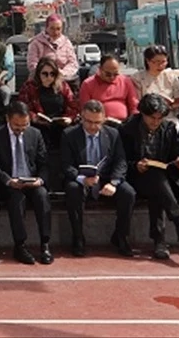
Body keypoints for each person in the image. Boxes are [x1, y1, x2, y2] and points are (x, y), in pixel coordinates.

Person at [119, 95, 179, 259]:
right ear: (142, 114)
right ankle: (177, 226)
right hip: (135, 177)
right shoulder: (128, 129)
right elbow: (121, 159)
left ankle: (162, 240)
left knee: (157, 184)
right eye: (152, 118)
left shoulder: (168, 128)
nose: (155, 122)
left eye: (159, 118)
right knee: (156, 181)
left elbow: (173, 154)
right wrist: (135, 165)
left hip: (161, 178)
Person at [62, 100, 137, 257]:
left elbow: (120, 161)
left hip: (105, 179)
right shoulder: (69, 135)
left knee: (128, 193)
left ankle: (121, 236)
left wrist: (114, 182)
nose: (93, 126)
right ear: (82, 117)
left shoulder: (112, 134)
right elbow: (66, 165)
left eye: (97, 122)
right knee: (73, 189)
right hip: (81, 179)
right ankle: (78, 237)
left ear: (104, 119)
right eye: (88, 121)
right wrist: (82, 179)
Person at [0, 101, 53, 265]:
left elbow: (44, 163)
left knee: (42, 195)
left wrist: (40, 179)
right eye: (17, 125)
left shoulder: (35, 134)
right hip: (9, 184)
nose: (20, 129)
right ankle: (20, 245)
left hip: (31, 181)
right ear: (8, 119)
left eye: (24, 125)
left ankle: (45, 243)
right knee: (16, 199)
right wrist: (8, 181)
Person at [19, 56, 78, 150]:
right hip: (39, 125)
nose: (49, 77)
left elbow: (73, 105)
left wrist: (69, 118)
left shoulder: (62, 86)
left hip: (60, 125)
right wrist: (34, 118)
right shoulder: (29, 87)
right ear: (38, 74)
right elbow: (24, 107)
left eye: (52, 74)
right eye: (45, 74)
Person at [78, 54, 139, 125]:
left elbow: (134, 106)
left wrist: (133, 122)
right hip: (99, 124)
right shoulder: (88, 84)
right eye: (108, 74)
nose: (112, 77)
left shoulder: (126, 81)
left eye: (115, 74)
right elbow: (86, 109)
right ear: (100, 69)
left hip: (124, 124)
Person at [130, 45, 179, 117]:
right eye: (156, 62)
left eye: (163, 62)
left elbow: (178, 98)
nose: (161, 65)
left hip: (168, 114)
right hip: (148, 115)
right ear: (148, 61)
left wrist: (171, 106)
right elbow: (137, 102)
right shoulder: (138, 78)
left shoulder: (171, 76)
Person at [27, 15, 78, 88]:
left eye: (58, 29)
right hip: (41, 81)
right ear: (46, 28)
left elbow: (73, 63)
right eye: (52, 28)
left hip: (64, 79)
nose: (56, 32)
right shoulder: (36, 42)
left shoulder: (66, 42)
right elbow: (32, 63)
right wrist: (48, 74)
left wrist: (62, 73)